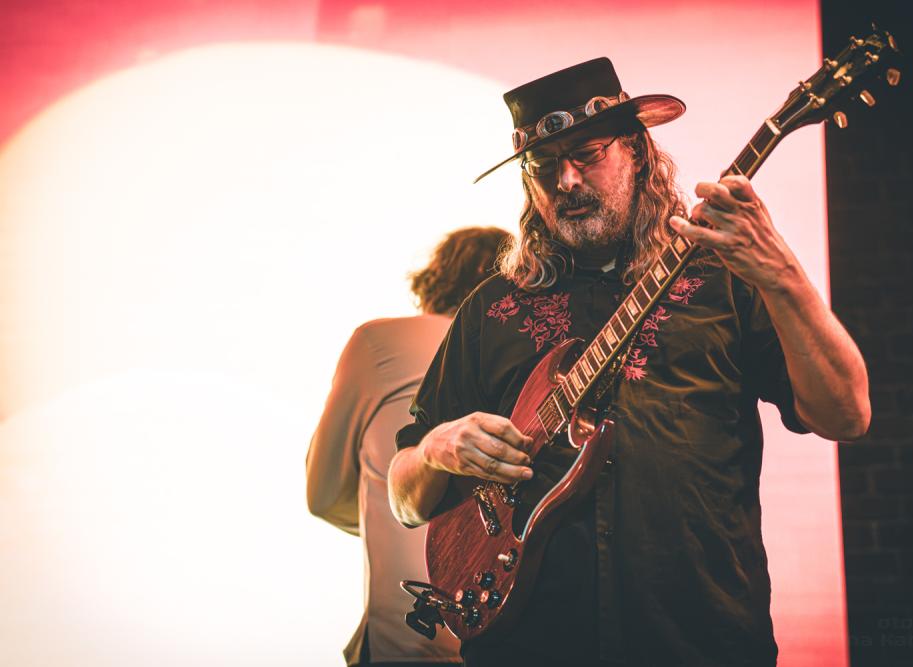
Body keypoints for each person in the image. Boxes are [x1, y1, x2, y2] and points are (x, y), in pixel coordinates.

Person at [386, 58, 870, 667]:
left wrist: (783, 276)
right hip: (531, 646)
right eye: (543, 165)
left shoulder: (725, 278)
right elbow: (405, 499)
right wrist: (434, 449)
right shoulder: (492, 308)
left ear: (636, 152)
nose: (566, 180)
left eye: (586, 154)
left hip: (702, 640)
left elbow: (847, 415)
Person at [306, 226, 514, 667]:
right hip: (515, 629)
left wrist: (405, 506)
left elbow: (322, 496)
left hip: (410, 638)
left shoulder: (379, 342)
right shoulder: (526, 358)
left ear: (436, 279)